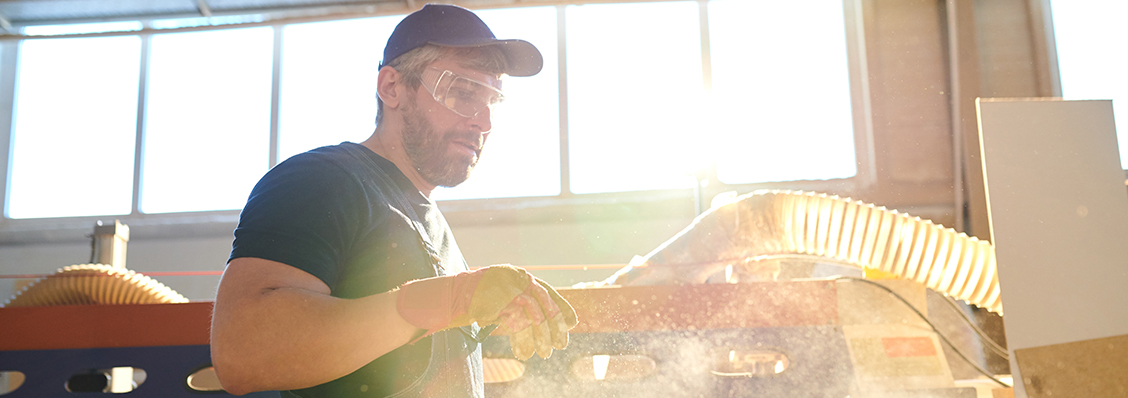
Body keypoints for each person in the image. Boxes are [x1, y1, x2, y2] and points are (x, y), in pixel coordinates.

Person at [209, 4, 578, 397]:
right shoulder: (321, 181)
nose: (483, 122)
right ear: (392, 87)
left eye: (493, 101)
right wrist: (453, 299)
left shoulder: (435, 227)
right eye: (463, 92)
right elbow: (241, 352)